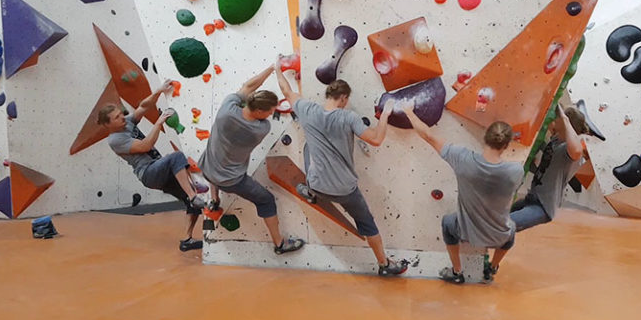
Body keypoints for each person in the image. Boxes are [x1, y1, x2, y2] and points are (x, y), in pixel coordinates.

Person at [275, 64, 408, 276]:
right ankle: (384, 264)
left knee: (309, 146)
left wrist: (277, 68)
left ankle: (309, 192)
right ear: (344, 98)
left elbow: (286, 91)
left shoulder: (307, 110)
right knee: (367, 224)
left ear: (327, 95)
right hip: (345, 190)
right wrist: (385, 115)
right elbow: (376, 139)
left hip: (318, 186)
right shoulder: (349, 117)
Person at [404, 102, 523, 285]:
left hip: (465, 231)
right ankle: (492, 267)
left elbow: (429, 136)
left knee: (448, 223)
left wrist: (408, 112)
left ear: (485, 137)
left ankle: (457, 271)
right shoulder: (515, 171)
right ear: (506, 145)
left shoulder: (462, 158)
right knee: (511, 230)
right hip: (498, 235)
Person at [199, 66, 305, 255]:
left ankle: (213, 199)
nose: (270, 115)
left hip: (207, 168)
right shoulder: (260, 129)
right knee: (266, 200)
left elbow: (249, 86)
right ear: (258, 111)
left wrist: (271, 68)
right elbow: (252, 91)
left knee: (212, 151)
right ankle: (279, 243)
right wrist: (277, 71)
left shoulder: (226, 110)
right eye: (269, 112)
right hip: (230, 180)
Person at [98, 79, 205, 252]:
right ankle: (193, 195)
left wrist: (159, 91)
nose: (122, 118)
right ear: (107, 125)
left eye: (120, 114)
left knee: (189, 202)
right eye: (117, 118)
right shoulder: (115, 140)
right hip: (148, 173)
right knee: (177, 157)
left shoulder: (126, 122)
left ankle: (187, 239)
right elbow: (145, 146)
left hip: (158, 168)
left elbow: (143, 106)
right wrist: (158, 122)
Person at [510, 105, 587, 232]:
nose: (554, 121)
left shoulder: (569, 150)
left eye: (557, 119)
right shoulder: (555, 141)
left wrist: (563, 117)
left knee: (505, 225)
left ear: (565, 123)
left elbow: (577, 151)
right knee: (503, 225)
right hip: (532, 198)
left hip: (543, 207)